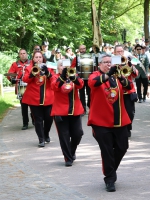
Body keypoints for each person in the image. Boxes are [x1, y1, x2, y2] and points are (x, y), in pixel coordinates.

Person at [87, 54, 132, 192]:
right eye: (105, 62)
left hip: (120, 120)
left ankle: (111, 169)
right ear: (99, 64)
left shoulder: (117, 75)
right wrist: (108, 75)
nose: (108, 64)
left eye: (110, 62)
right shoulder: (94, 75)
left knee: (123, 147)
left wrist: (121, 77)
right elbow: (93, 83)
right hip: (101, 122)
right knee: (106, 151)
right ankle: (110, 178)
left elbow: (129, 86)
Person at [51, 60, 84, 167]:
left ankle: (71, 151)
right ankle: (68, 158)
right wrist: (62, 77)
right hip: (60, 111)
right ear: (58, 68)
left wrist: (72, 76)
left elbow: (81, 85)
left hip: (75, 110)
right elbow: (54, 87)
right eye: (62, 66)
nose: (64, 68)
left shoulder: (74, 75)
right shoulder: (55, 77)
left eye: (66, 66)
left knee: (78, 134)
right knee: (64, 136)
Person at [22, 51, 55, 147]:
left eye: (40, 57)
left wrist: (48, 73)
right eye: (36, 57)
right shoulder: (29, 68)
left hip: (48, 97)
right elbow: (24, 79)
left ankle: (46, 133)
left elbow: (54, 80)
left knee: (49, 118)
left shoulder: (49, 67)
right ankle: (41, 139)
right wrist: (32, 74)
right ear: (33, 59)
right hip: (34, 98)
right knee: (38, 119)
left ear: (43, 58)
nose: (38, 59)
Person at [114, 45, 138, 137]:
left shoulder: (129, 61)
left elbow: (135, 74)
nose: (120, 53)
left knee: (130, 112)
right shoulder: (112, 62)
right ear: (115, 53)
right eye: (118, 51)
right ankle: (122, 129)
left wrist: (131, 66)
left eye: (121, 51)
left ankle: (128, 127)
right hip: (117, 91)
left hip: (129, 91)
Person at [7, 49, 31, 130]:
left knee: (33, 105)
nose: (23, 55)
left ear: (27, 54)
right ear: (19, 55)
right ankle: (25, 123)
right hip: (22, 86)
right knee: (24, 105)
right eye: (21, 54)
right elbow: (9, 74)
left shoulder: (31, 63)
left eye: (24, 53)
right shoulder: (15, 64)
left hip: (31, 86)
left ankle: (35, 120)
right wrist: (12, 79)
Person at [71, 44, 90, 115]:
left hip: (89, 78)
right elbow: (72, 67)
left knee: (90, 94)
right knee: (81, 94)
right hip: (80, 78)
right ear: (79, 50)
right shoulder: (76, 58)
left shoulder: (90, 56)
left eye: (83, 49)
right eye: (81, 49)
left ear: (86, 49)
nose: (82, 50)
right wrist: (76, 74)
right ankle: (83, 109)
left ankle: (89, 106)